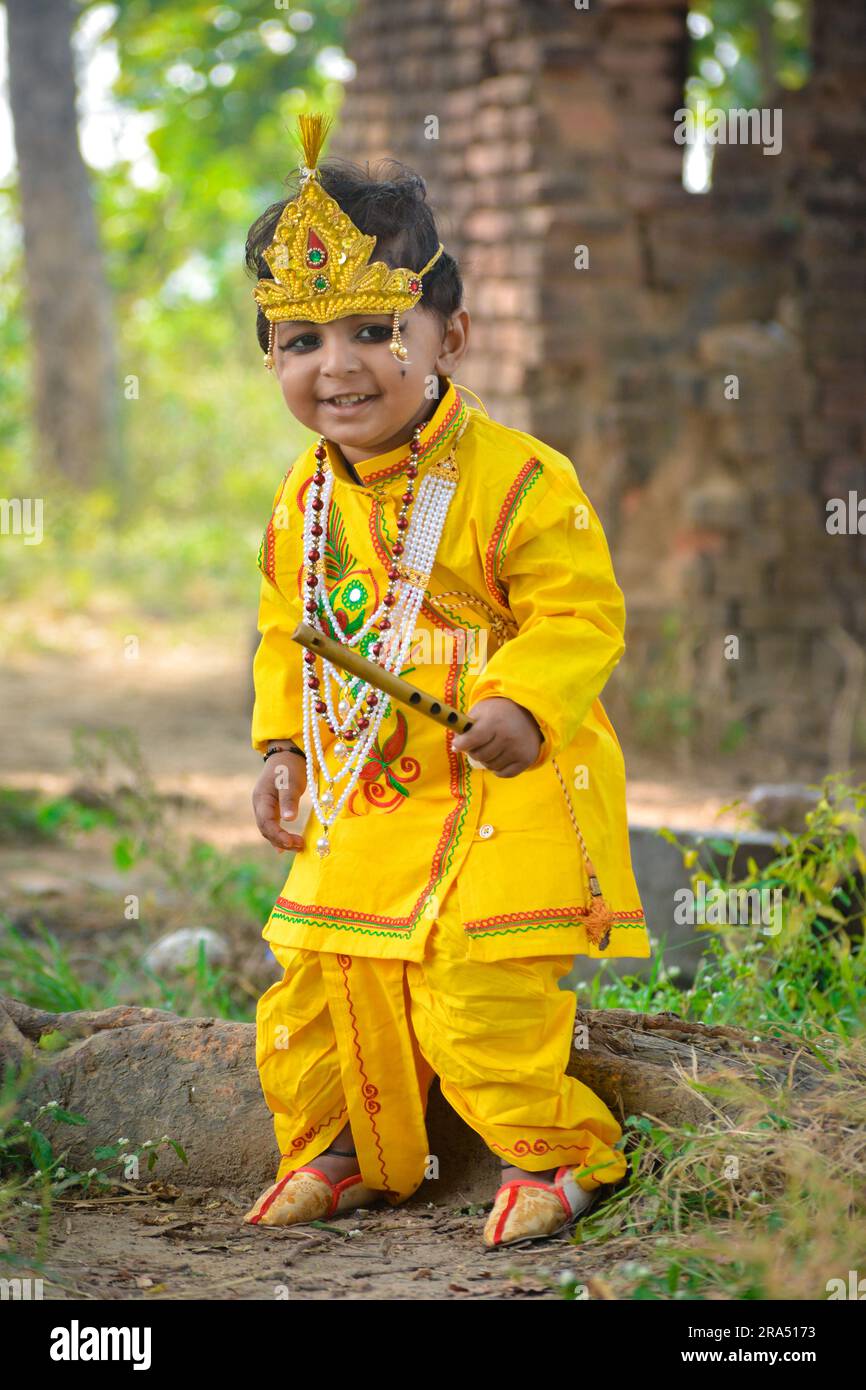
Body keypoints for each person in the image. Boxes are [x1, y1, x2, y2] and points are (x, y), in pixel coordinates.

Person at [242, 113, 650, 1248]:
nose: (337, 366)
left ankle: (559, 1156)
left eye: (375, 328)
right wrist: (280, 746)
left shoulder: (520, 478)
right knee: (316, 985)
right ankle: (345, 1150)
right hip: (364, 784)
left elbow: (579, 611)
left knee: (475, 992)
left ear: (450, 331)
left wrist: (520, 698)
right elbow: (288, 627)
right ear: (268, 356)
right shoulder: (302, 499)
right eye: (297, 340)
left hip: (502, 782)